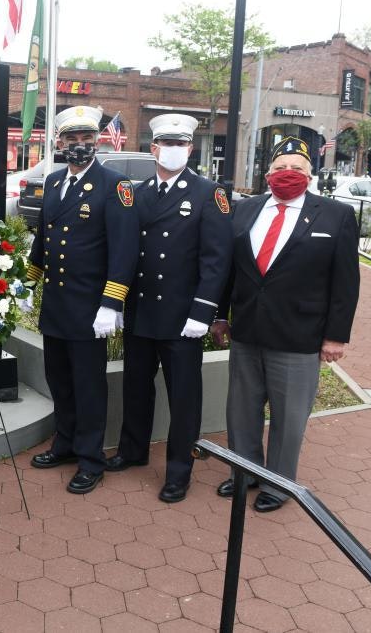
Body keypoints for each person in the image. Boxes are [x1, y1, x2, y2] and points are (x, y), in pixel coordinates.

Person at [211, 136, 359, 512]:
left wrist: (336, 336)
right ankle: (244, 472)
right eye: (280, 168)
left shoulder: (335, 216)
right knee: (241, 411)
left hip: (299, 336)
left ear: (311, 175)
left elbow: (345, 282)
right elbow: (231, 270)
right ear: (267, 174)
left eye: (297, 169)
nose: (287, 174)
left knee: (288, 417)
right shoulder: (245, 211)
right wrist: (221, 314)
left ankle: (278, 484)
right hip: (247, 331)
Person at [106, 114, 233, 503]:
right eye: (166, 143)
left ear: (191, 149)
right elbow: (127, 251)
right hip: (142, 311)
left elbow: (217, 261)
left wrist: (203, 312)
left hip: (182, 317)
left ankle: (180, 470)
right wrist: (118, 302)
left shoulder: (209, 194)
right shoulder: (138, 192)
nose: (174, 150)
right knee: (136, 386)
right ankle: (133, 450)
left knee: (184, 397)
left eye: (181, 144)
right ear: (153, 148)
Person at [26, 106, 140, 494]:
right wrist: (29, 283)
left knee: (89, 386)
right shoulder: (55, 181)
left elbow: (124, 250)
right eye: (71, 139)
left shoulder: (115, 185)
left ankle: (91, 458)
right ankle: (65, 444)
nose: (79, 146)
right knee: (59, 379)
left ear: (97, 141)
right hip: (56, 305)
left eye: (86, 139)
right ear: (59, 143)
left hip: (92, 309)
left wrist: (112, 303)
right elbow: (44, 239)